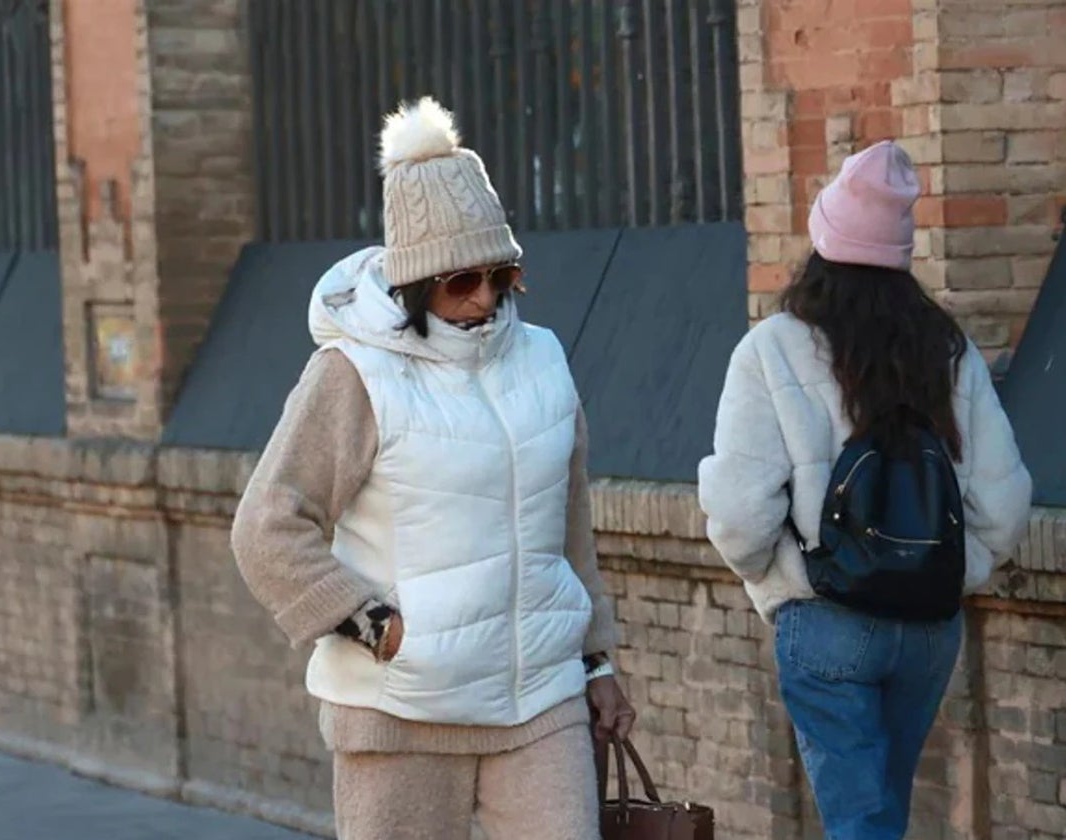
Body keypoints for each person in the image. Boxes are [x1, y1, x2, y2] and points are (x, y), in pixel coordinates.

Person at [230, 96, 633, 840]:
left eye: (501, 274)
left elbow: (568, 526)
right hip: (403, 712)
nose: (483, 296)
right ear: (416, 283)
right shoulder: (353, 374)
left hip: (540, 703)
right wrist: (376, 627)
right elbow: (266, 527)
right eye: (458, 281)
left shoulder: (542, 358)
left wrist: (597, 661)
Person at [697, 140, 1032, 839]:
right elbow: (1002, 506)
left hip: (825, 619)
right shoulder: (945, 348)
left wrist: (787, 584)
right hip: (929, 629)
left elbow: (737, 513)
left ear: (822, 244)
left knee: (862, 825)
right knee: (883, 817)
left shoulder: (772, 349)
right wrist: (949, 575)